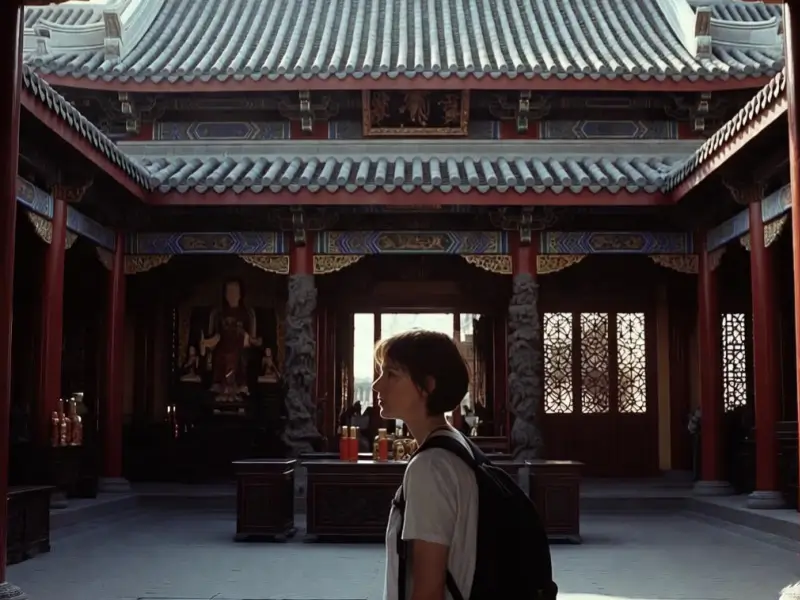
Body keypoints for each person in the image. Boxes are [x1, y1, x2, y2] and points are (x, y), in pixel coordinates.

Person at [373, 329, 477, 600]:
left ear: (428, 385)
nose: (377, 386)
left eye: (391, 374)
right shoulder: (455, 443)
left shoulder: (430, 467)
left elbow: (429, 590)